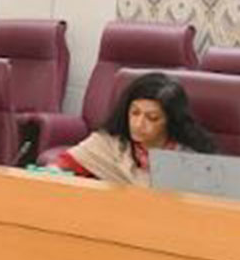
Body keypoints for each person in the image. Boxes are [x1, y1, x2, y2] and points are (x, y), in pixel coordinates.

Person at [56, 71, 215, 184]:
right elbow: (60, 169)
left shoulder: (189, 158)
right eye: (134, 113)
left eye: (152, 118)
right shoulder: (107, 144)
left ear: (170, 121)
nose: (139, 124)